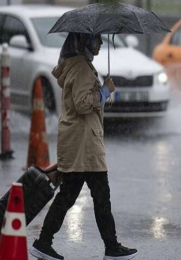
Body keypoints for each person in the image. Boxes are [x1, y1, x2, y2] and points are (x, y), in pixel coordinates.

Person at [29, 33, 138, 260]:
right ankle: (110, 247)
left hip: (82, 141)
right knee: (98, 196)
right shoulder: (80, 67)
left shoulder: (80, 65)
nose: (99, 44)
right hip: (84, 144)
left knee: (72, 196)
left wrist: (101, 89)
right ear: (84, 41)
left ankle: (45, 242)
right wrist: (105, 90)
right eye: (96, 40)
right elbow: (81, 104)